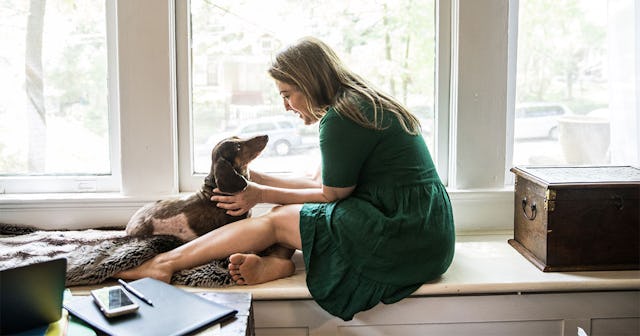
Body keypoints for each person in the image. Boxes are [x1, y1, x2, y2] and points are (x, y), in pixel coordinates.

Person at [116, 36, 455, 321]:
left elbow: (330, 196)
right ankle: (278, 263)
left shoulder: (341, 118)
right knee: (286, 211)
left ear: (309, 83)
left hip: (403, 235)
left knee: (278, 220)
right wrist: (258, 180)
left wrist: (260, 194)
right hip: (424, 230)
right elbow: (319, 184)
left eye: (287, 93)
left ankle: (162, 264)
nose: (286, 105)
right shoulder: (359, 102)